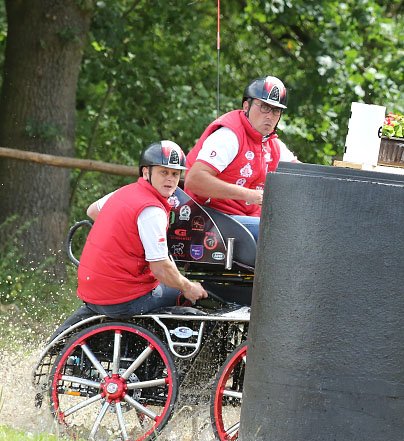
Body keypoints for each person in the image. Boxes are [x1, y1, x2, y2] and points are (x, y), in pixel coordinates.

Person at [76, 140, 207, 318]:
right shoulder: (152, 211)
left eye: (175, 174)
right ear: (146, 172)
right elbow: (161, 269)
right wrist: (189, 288)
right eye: (164, 172)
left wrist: (127, 237)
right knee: (189, 295)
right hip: (121, 299)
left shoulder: (124, 191)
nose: (170, 179)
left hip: (91, 290)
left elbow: (92, 211)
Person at [184, 75, 298, 239]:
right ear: (246, 105)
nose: (270, 116)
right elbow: (194, 180)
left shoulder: (271, 143)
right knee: (282, 234)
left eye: (276, 110)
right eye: (264, 107)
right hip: (212, 219)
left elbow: (302, 173)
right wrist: (249, 195)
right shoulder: (229, 136)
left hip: (246, 220)